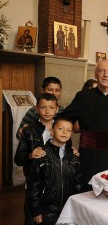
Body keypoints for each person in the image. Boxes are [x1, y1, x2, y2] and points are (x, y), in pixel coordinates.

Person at [60, 61, 108, 191]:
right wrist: (68, 145)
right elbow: (65, 120)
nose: (106, 75)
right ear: (95, 74)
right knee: (90, 189)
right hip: (89, 155)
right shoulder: (83, 96)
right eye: (101, 71)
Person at [27, 117, 82, 225]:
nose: (65, 132)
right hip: (47, 210)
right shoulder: (41, 154)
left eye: (69, 130)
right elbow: (33, 185)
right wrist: (36, 211)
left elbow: (78, 184)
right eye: (60, 128)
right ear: (52, 132)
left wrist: (77, 207)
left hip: (68, 209)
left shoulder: (74, 156)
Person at [14, 93, 59, 225]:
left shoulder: (61, 129)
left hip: (55, 183)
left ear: (57, 109)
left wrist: (72, 152)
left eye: (51, 107)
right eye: (43, 107)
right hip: (35, 183)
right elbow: (18, 159)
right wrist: (30, 155)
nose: (47, 111)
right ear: (37, 108)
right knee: (32, 218)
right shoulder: (29, 131)